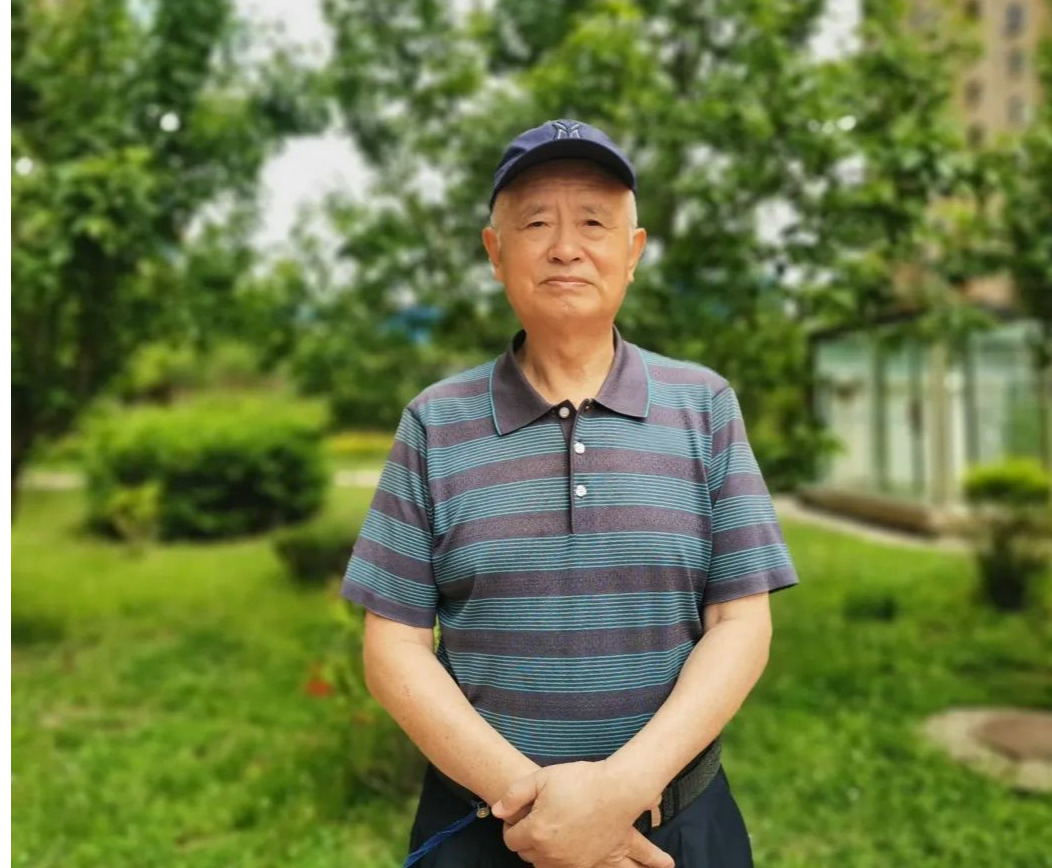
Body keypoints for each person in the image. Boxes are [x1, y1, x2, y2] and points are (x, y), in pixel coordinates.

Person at [341, 119, 800, 868]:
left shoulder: (705, 406)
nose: (565, 248)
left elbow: (741, 623)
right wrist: (541, 811)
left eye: (593, 222)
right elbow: (393, 647)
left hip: (675, 831)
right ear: (495, 253)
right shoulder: (434, 422)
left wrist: (620, 791)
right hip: (483, 830)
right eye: (536, 224)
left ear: (633, 251)